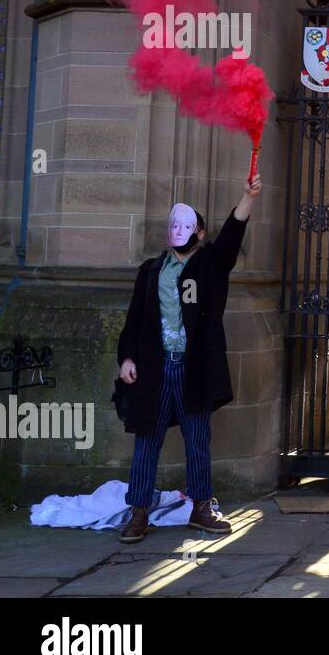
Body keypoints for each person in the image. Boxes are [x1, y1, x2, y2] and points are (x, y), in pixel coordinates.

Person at [115, 173, 261, 543]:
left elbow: (230, 239)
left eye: (186, 225)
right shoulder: (150, 271)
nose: (177, 230)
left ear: (199, 234)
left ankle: (200, 507)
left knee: (198, 438)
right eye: (173, 224)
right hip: (155, 368)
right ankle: (139, 512)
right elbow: (134, 319)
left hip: (193, 368)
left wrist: (246, 198)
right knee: (147, 439)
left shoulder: (208, 266)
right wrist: (127, 357)